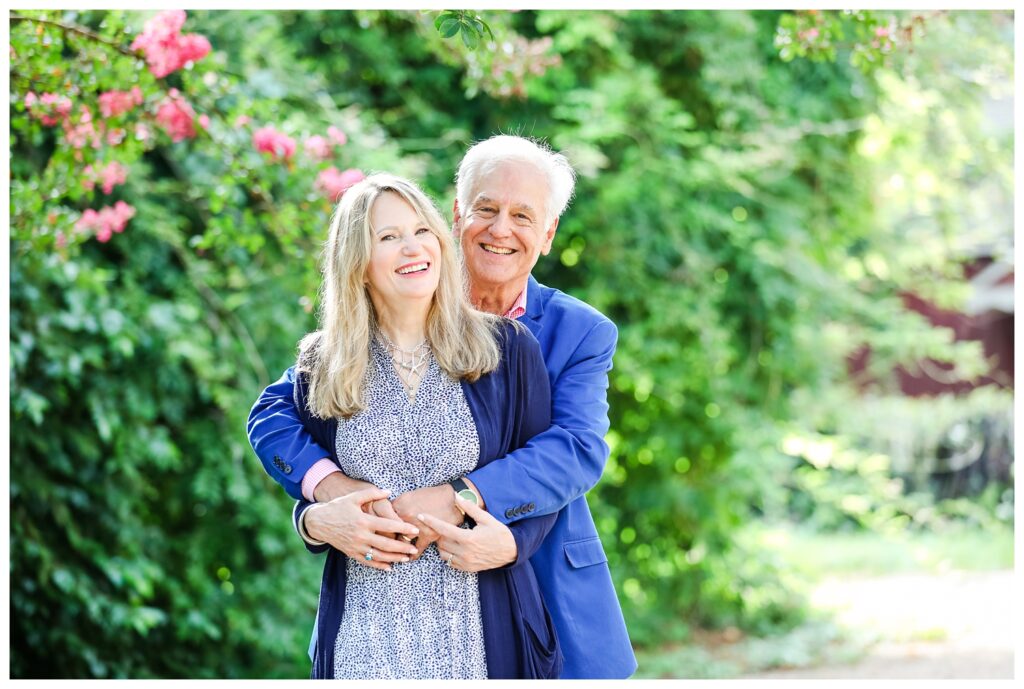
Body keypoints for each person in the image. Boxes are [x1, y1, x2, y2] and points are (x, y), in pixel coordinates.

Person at [249, 135, 637, 678]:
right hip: (374, 616)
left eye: (523, 216)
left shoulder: (577, 333)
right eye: (486, 209)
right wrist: (325, 504)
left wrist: (460, 499)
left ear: (548, 234)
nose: (501, 229)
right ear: (456, 215)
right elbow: (278, 411)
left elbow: (574, 448)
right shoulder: (388, 306)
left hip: (533, 578)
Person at [277, 172, 562, 679]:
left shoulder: (508, 348)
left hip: (481, 635)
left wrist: (515, 544)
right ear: (358, 265)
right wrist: (313, 517)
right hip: (365, 643)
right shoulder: (324, 362)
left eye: (421, 230)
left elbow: (541, 481)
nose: (413, 247)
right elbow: (271, 426)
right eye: (387, 237)